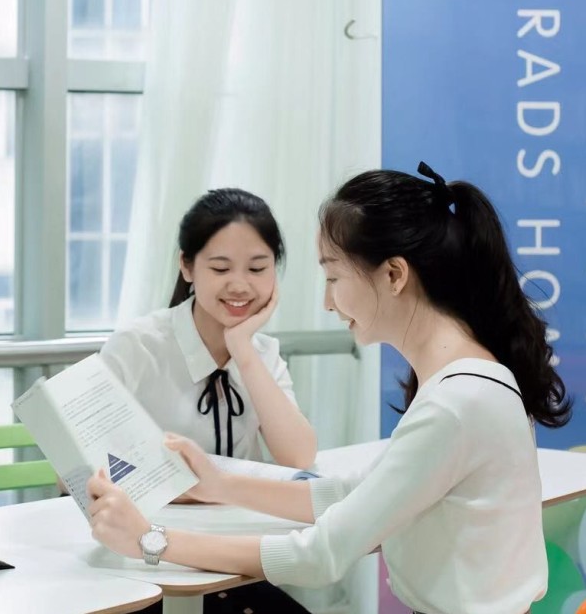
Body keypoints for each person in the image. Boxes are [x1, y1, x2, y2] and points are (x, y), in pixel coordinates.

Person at [86, 163, 572, 614]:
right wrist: (222, 484)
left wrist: (149, 540)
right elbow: (353, 493)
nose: (326, 301)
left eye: (333, 275)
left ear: (394, 275)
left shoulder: (455, 402)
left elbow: (321, 555)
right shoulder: (474, 379)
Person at [100, 188, 316, 469]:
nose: (239, 285)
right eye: (221, 269)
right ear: (187, 267)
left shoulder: (264, 353)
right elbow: (72, 469)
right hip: (154, 512)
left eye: (257, 269)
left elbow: (299, 458)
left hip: (244, 512)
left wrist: (242, 350)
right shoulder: (136, 346)